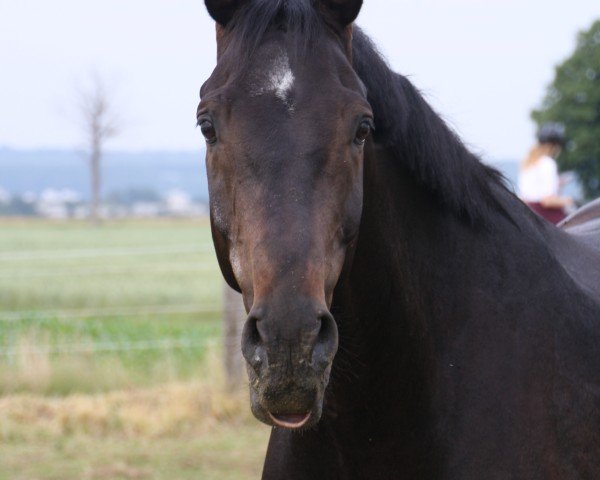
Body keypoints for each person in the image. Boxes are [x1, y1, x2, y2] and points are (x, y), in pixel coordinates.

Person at [518, 123, 573, 224]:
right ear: (556, 146)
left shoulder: (528, 162)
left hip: (528, 212)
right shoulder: (548, 163)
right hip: (545, 214)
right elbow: (547, 201)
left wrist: (557, 183)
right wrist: (568, 201)